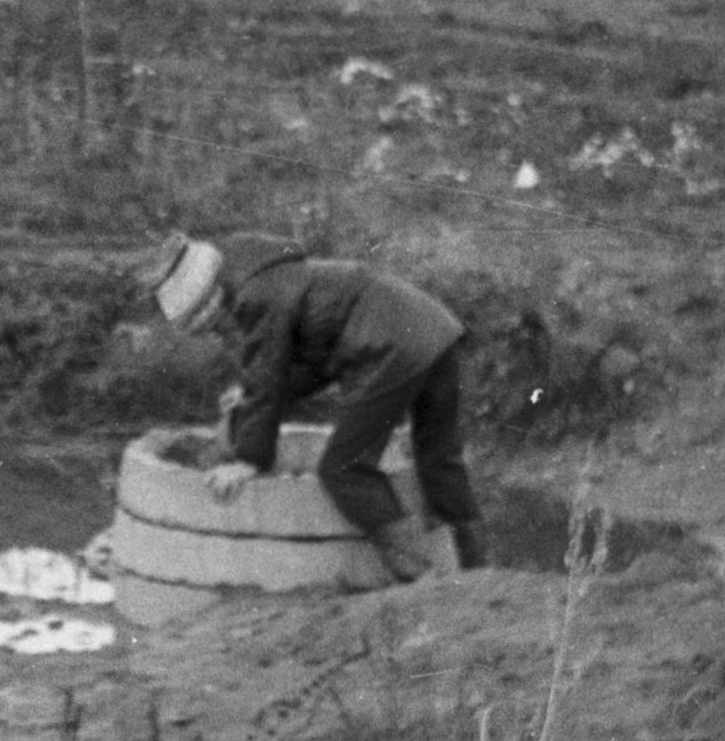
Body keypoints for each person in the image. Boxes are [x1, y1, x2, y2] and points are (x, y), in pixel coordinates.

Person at [142, 230, 485, 584]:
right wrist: (249, 393)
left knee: (344, 470)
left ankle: (425, 580)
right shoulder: (275, 276)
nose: (215, 330)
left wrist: (249, 459)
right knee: (438, 456)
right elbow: (309, 364)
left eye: (209, 320)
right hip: (431, 327)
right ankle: (479, 576)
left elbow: (268, 377)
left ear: (211, 296)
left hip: (389, 346)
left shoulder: (255, 297)